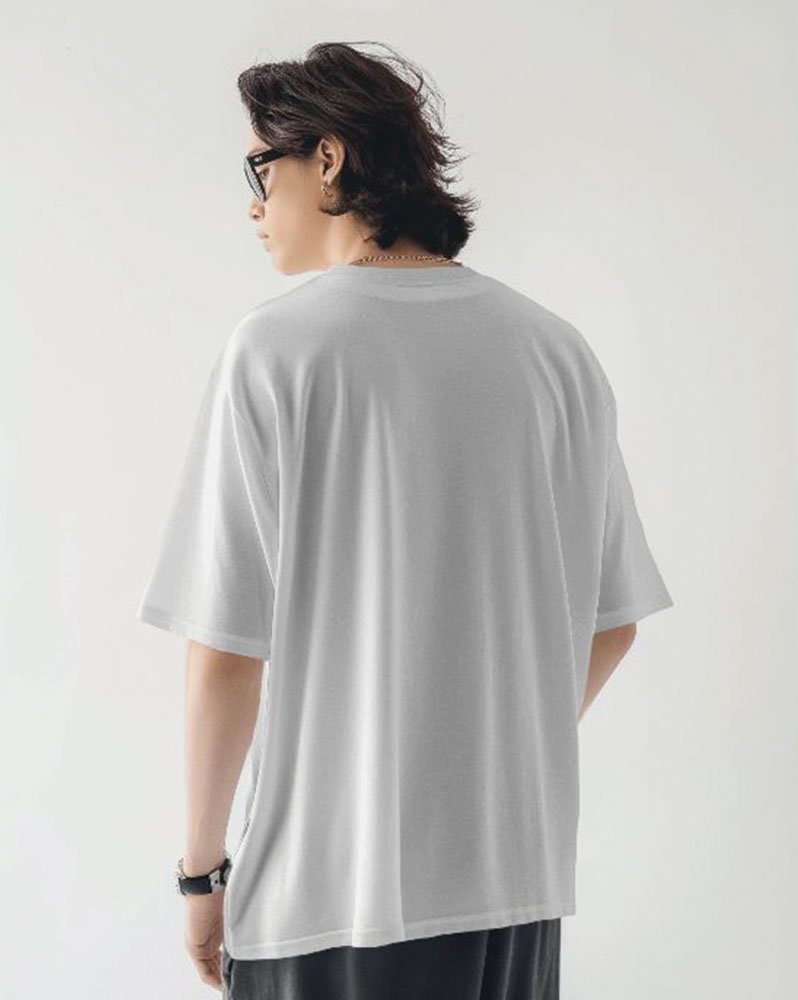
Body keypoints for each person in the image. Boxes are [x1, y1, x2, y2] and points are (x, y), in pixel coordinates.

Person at [135, 41, 674, 999]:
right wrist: (479, 752)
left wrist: (200, 875)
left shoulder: (277, 352)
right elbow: (612, 621)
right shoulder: (555, 353)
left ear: (327, 159)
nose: (253, 204)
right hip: (514, 891)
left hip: (329, 898)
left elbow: (225, 654)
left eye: (260, 168)